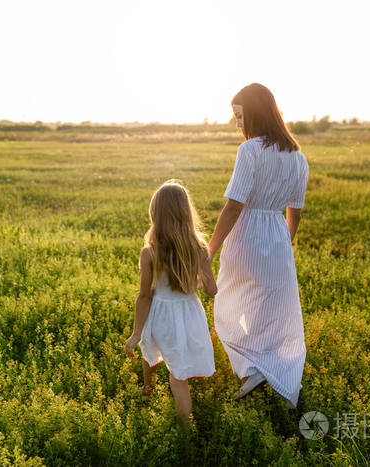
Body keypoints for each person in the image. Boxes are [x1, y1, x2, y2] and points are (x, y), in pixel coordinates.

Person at [207, 83, 309, 408]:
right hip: (278, 238)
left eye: (239, 116)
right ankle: (266, 367)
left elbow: (234, 206)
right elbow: (296, 212)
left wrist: (208, 251)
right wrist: (284, 247)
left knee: (227, 303)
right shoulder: (298, 157)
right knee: (270, 309)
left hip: (246, 233)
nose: (238, 124)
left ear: (253, 114)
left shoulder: (249, 151)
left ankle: (252, 367)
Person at [125, 179, 217, 431]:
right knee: (179, 377)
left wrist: (135, 333)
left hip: (161, 315)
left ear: (156, 215)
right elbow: (211, 291)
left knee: (148, 348)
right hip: (189, 316)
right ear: (186, 213)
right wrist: (202, 276)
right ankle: (185, 429)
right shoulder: (199, 248)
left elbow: (145, 296)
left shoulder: (150, 253)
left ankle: (149, 390)